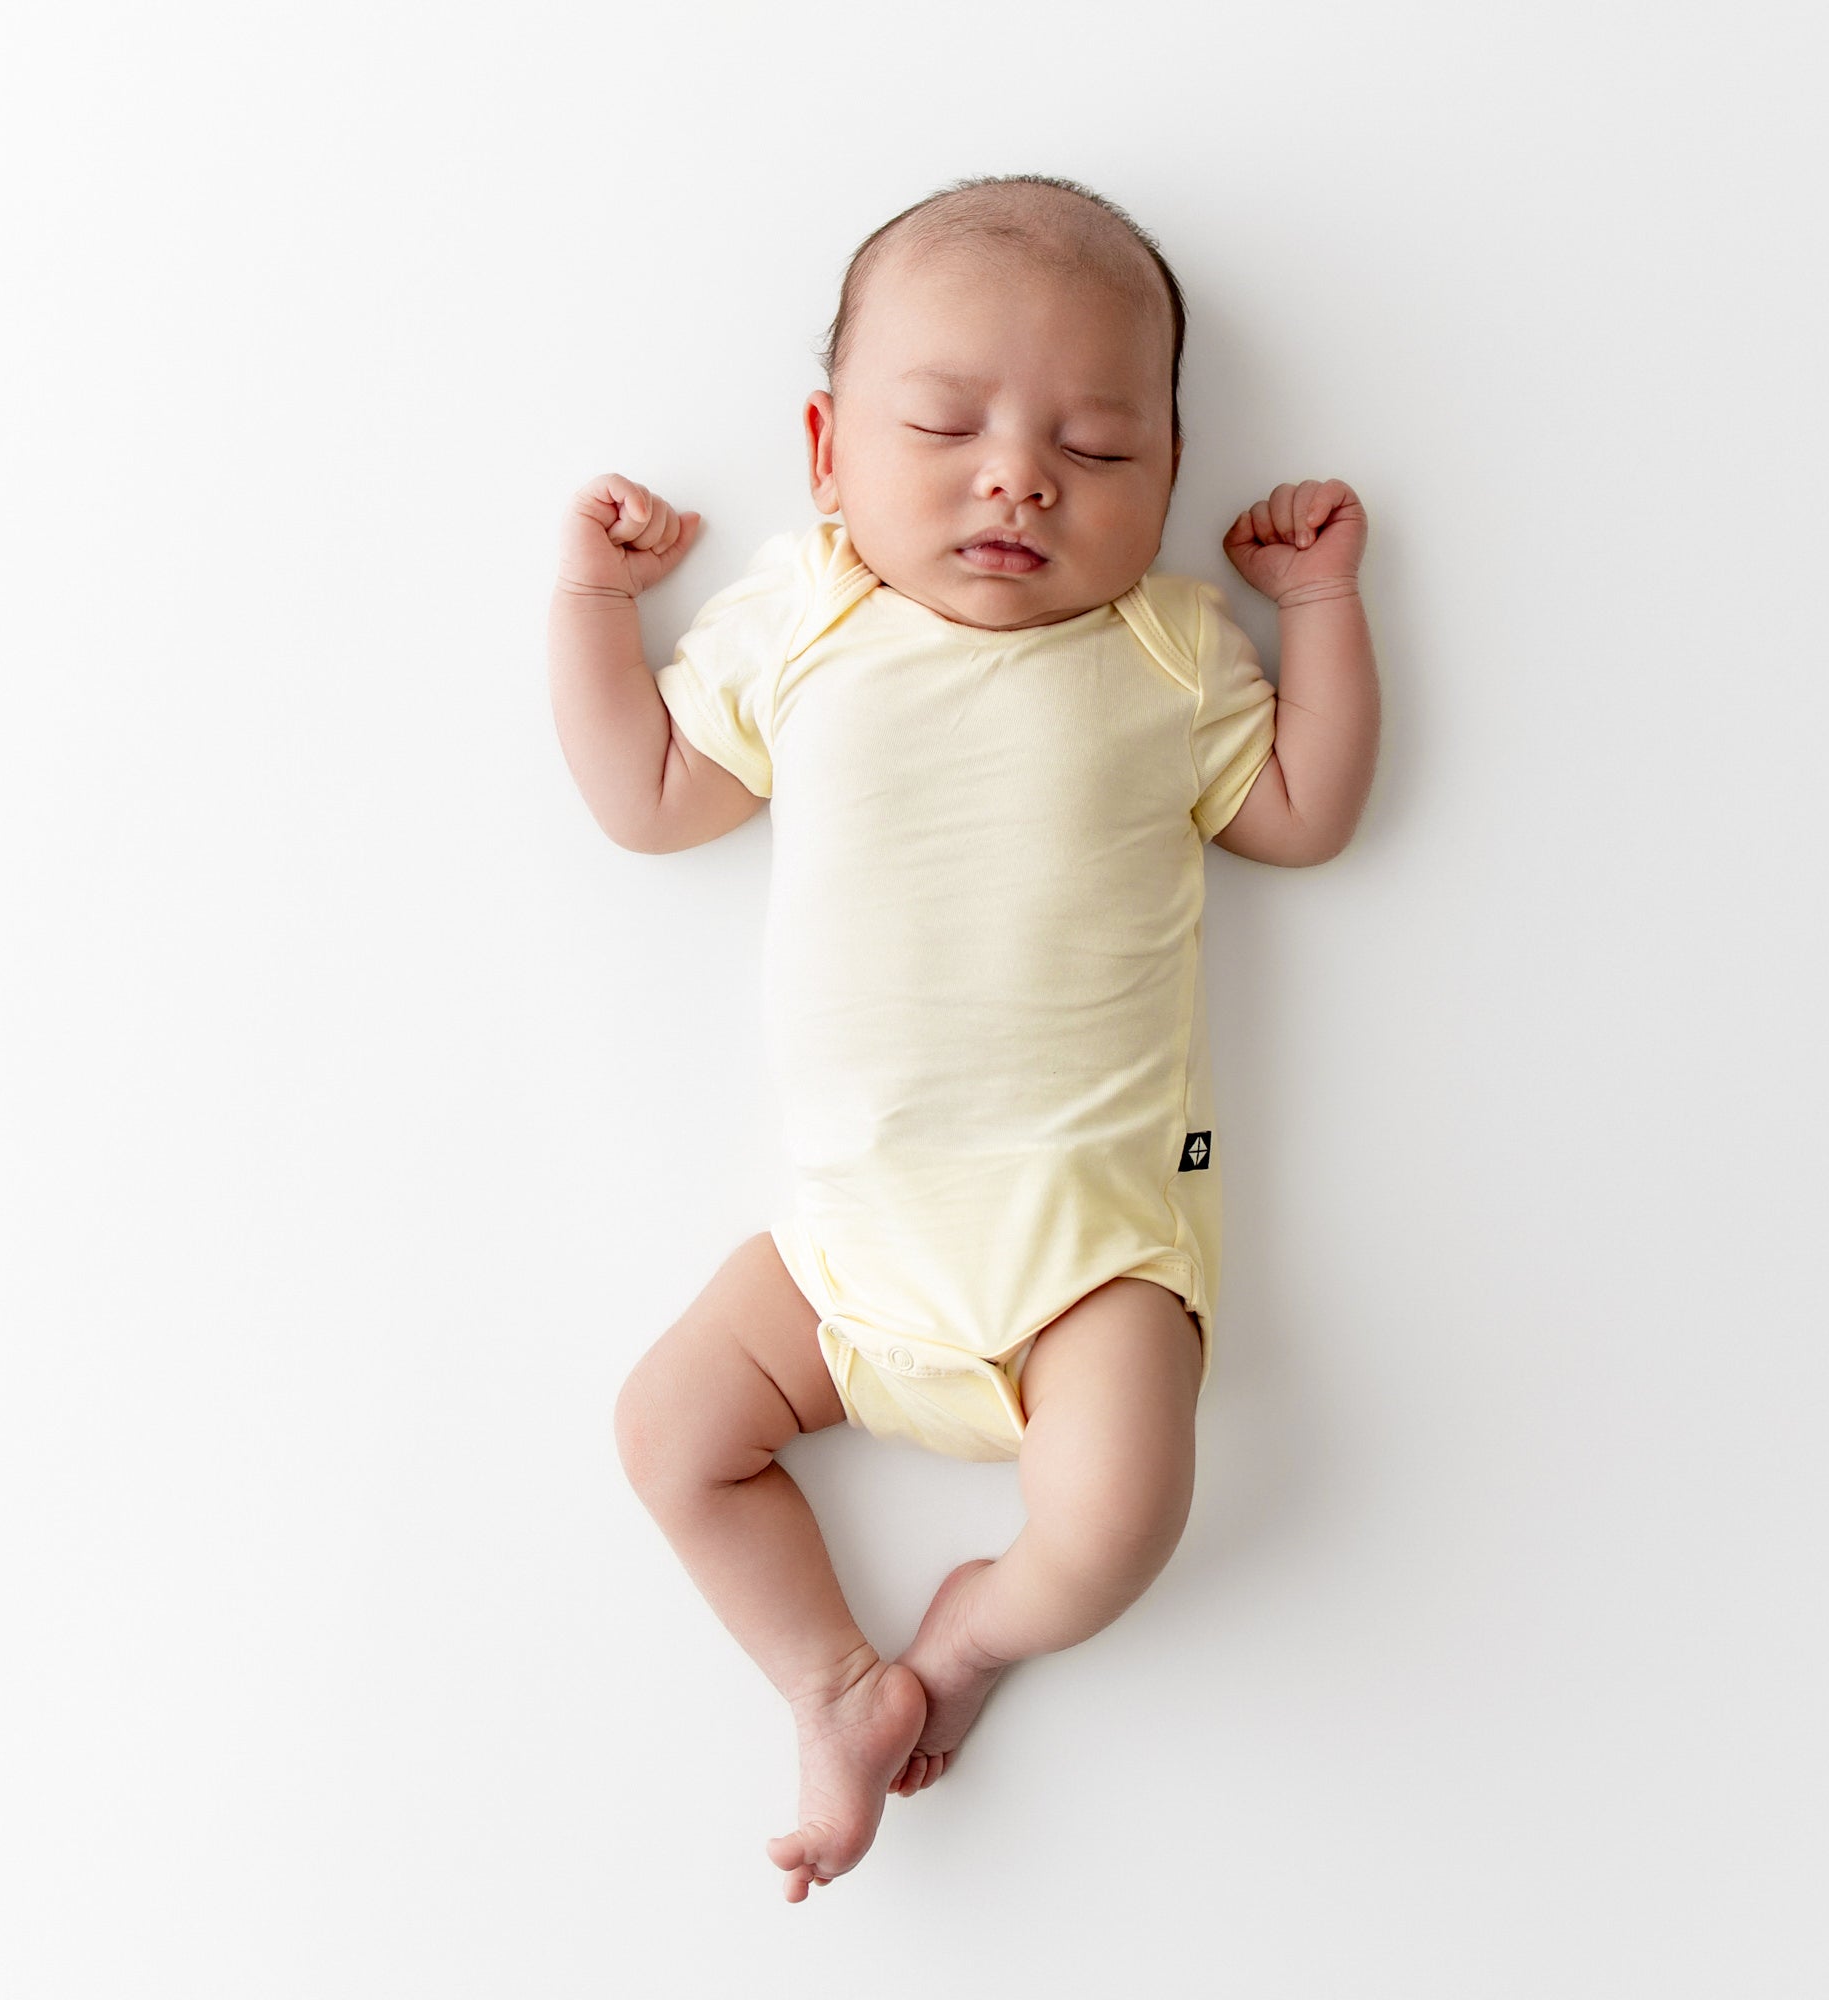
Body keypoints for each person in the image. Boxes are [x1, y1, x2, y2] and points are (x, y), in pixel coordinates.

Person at [545, 172, 1381, 1903]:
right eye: (945, 425)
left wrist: (1318, 611)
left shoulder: (1164, 649)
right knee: (665, 1432)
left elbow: (1301, 810)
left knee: (1116, 1528)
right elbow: (645, 797)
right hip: (843, 1252)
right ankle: (831, 1681)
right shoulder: (811, 619)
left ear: (1166, 480)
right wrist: (586, 608)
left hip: (1094, 1255)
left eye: (1097, 446)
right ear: (827, 451)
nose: (1019, 476)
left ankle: (978, 1633)